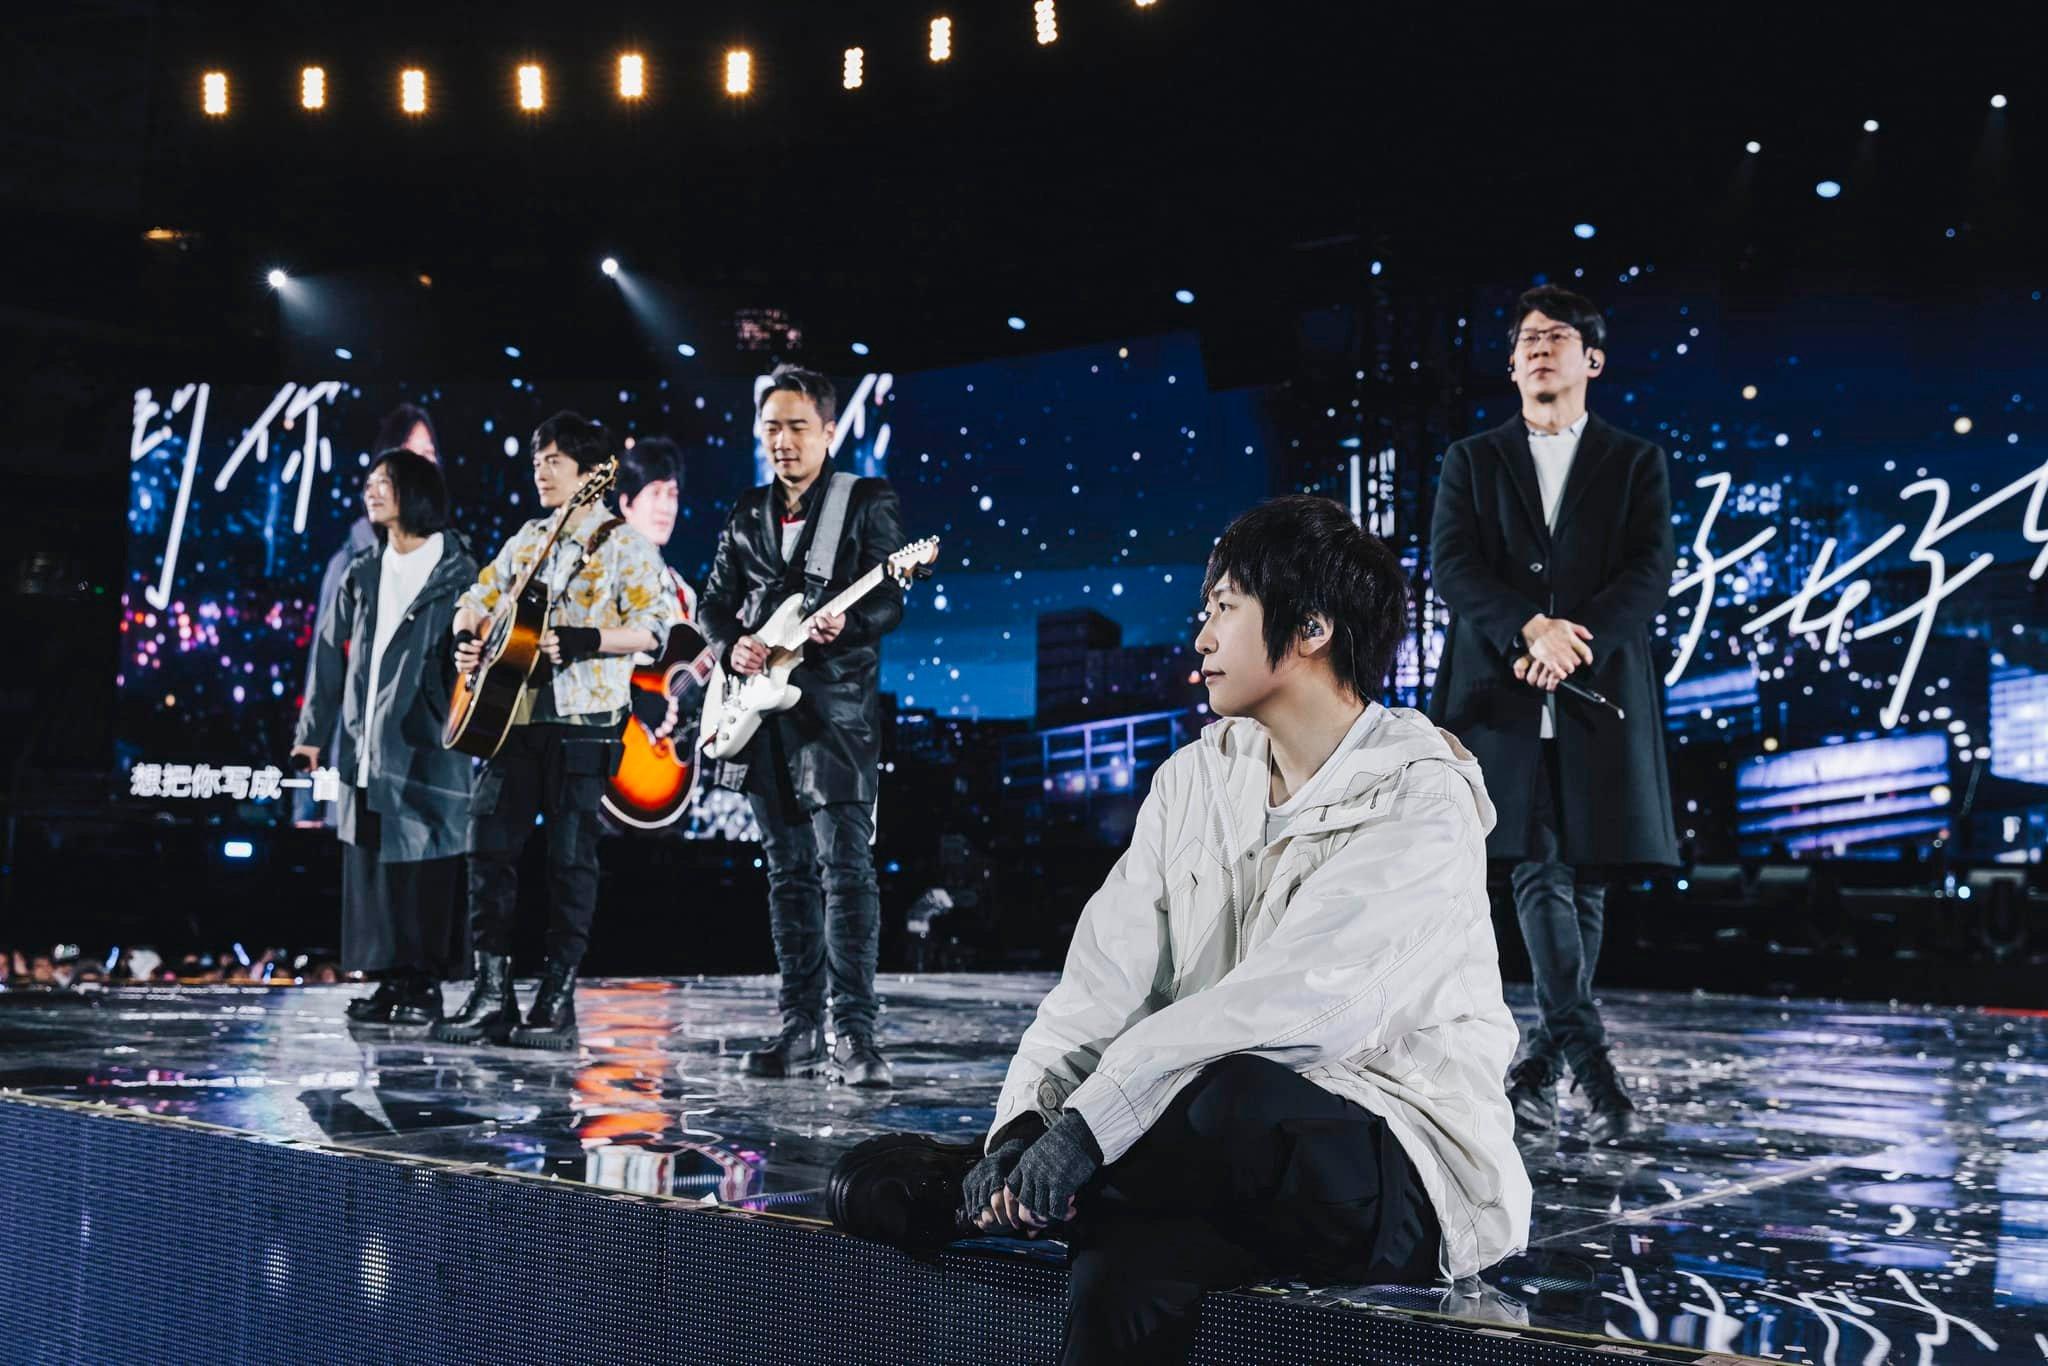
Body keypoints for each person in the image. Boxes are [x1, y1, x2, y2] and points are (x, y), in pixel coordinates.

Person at [830, 496, 1529, 1365]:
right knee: (1120, 1272)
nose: (1201, 637)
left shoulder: (1422, 797)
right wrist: (1027, 1128)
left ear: (1312, 628)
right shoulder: (1193, 779)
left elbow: (1304, 1006)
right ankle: (1032, 1189)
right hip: (1194, 1152)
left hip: (1394, 1165)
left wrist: (1086, 1134)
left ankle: (974, 1194)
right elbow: (1102, 983)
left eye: (1225, 608)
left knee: (1231, 1095)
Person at [1427, 284, 1679, 1145]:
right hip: (1500, 691)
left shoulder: (1635, 459)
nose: (1538, 347)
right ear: (1511, 366)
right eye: (1526, 339)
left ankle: (1536, 1070)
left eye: (1557, 336)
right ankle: (1597, 1074)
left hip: (1596, 691)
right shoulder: (1472, 458)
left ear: (1592, 360)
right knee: (1538, 865)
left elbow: (1649, 570)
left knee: (1586, 876)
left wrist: (1573, 642)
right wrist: (1527, 629)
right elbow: (1454, 566)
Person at [433, 412, 679, 1049]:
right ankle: (491, 993)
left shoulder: (625, 545)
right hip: (512, 719)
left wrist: (585, 639)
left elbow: (654, 631)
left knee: (570, 862)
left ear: (591, 473)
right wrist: (466, 638)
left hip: (585, 725)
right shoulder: (528, 538)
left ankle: (556, 997)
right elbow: (478, 597)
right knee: (488, 848)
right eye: (537, 462)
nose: (541, 472)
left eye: (554, 462)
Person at [696, 365, 907, 1088]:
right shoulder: (745, 509)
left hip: (836, 713)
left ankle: (856, 1036)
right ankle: (800, 1032)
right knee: (787, 876)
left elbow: (892, 600)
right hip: (759, 711)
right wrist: (732, 644)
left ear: (828, 430)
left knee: (846, 874)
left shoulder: (865, 500)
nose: (782, 441)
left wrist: (852, 622)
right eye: (771, 429)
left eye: (796, 427)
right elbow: (713, 602)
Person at [294, 449, 478, 1024]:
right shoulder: (362, 570)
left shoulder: (458, 571)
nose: (371, 491)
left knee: (425, 865)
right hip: (366, 744)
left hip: (428, 742)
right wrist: (312, 735)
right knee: (373, 868)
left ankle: (423, 985)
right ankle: (389, 982)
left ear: (415, 492)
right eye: (369, 481)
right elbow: (328, 654)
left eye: (385, 482)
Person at [296, 404, 438, 829]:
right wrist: (307, 806)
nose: (423, 465)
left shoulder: (451, 565)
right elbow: (322, 681)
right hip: (361, 782)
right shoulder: (350, 566)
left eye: (430, 454)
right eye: (411, 454)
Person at [615, 437, 695, 745]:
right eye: (655, 492)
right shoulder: (600, 576)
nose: (666, 507)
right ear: (626, 503)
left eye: (672, 494)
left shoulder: (682, 594)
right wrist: (636, 698)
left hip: (656, 756)